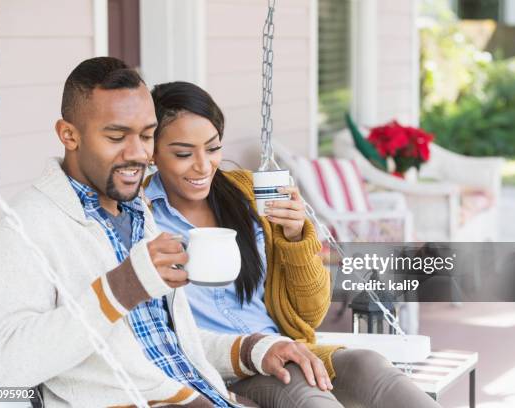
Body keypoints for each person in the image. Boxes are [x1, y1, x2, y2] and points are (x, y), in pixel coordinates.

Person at [0, 57, 331, 408]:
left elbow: (170, 343)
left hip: (210, 395)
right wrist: (122, 286)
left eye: (147, 136)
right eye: (116, 136)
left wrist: (254, 348)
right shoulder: (26, 226)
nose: (138, 154)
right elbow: (13, 363)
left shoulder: (136, 212)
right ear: (69, 135)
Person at [144, 81, 442, 407]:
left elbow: (310, 314)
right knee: (303, 392)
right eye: (184, 154)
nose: (203, 165)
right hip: (220, 367)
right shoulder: (141, 217)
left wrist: (296, 238)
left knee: (368, 365)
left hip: (284, 349)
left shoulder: (245, 194)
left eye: (213, 148)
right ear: (152, 153)